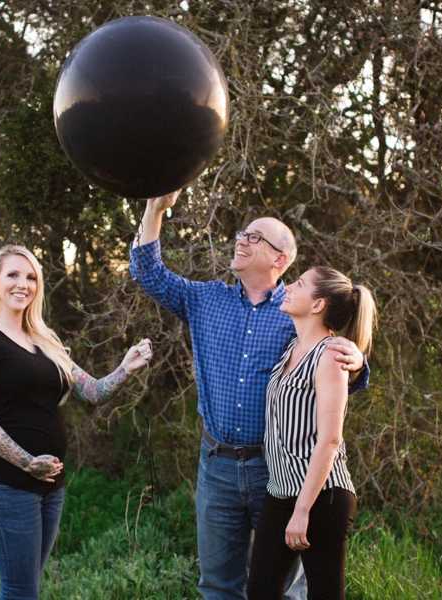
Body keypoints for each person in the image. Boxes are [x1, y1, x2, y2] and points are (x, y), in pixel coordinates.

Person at [129, 191, 369, 600]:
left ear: (279, 260)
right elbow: (148, 271)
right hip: (217, 464)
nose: (241, 239)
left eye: (254, 237)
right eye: (243, 232)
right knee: (218, 585)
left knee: (286, 589)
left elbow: (334, 367)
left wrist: (360, 362)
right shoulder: (205, 300)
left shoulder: (295, 312)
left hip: (275, 470)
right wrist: (155, 209)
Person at [0, 244, 152, 600]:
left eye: (31, 276)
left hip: (51, 484)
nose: (23, 284)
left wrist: (126, 368)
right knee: (20, 590)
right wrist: (26, 462)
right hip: (6, 484)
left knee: (29, 585)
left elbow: (92, 391)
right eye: (13, 275)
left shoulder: (45, 340)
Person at [246, 267, 376, 600]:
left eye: (300, 283)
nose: (289, 286)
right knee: (260, 589)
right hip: (280, 491)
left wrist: (302, 510)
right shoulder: (291, 349)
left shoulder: (331, 355)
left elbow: (330, 439)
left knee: (324, 594)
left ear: (318, 304)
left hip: (321, 496)